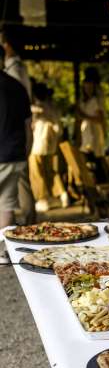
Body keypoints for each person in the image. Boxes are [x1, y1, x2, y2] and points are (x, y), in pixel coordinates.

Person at [1, 29, 36, 224]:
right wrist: (26, 149)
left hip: (9, 149)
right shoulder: (17, 83)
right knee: (7, 205)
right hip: (14, 150)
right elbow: (27, 123)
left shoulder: (15, 71)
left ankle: (30, 226)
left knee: (10, 203)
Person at [29, 83, 68, 212]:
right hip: (50, 145)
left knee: (37, 173)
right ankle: (62, 194)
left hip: (37, 145)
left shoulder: (36, 108)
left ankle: (43, 199)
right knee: (50, 171)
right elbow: (59, 129)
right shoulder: (52, 108)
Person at [76, 67, 106, 158]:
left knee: (95, 157)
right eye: (86, 87)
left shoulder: (96, 100)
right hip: (86, 133)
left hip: (94, 134)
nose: (87, 89)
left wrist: (84, 116)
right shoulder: (84, 101)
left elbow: (100, 119)